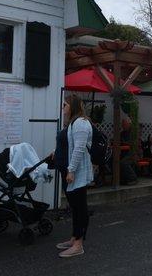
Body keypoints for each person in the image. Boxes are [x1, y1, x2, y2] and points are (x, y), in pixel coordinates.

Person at [55, 94, 93, 258]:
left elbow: (78, 149)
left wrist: (71, 170)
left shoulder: (81, 123)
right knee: (75, 207)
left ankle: (78, 244)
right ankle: (74, 238)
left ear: (73, 106)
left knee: (79, 208)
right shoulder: (72, 123)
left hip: (76, 173)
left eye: (65, 105)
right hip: (68, 171)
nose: (62, 108)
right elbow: (68, 145)